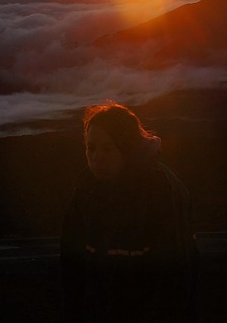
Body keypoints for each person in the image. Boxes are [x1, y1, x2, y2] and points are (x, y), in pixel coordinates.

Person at [61, 102, 197, 322]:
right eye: (91, 147)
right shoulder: (85, 192)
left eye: (108, 148)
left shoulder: (160, 191)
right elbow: (72, 269)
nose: (96, 158)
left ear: (127, 147)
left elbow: (172, 278)